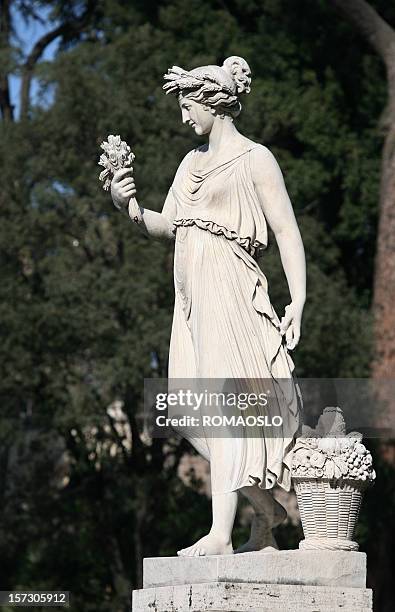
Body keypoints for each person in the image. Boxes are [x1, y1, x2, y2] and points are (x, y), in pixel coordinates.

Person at [110, 56, 306, 557]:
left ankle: (221, 535)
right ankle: (267, 512)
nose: (183, 118)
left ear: (212, 102)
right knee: (187, 406)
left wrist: (298, 299)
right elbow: (167, 225)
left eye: (186, 106)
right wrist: (127, 205)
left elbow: (286, 231)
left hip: (231, 288)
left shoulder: (255, 159)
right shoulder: (189, 163)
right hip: (193, 299)